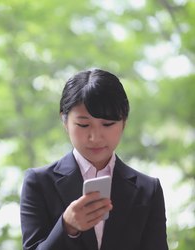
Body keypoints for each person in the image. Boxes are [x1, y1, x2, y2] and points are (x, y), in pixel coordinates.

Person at [20, 69, 168, 250]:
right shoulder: (39, 183)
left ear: (124, 122)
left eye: (107, 124)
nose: (95, 137)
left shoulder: (148, 189)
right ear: (64, 121)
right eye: (83, 124)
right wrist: (67, 226)